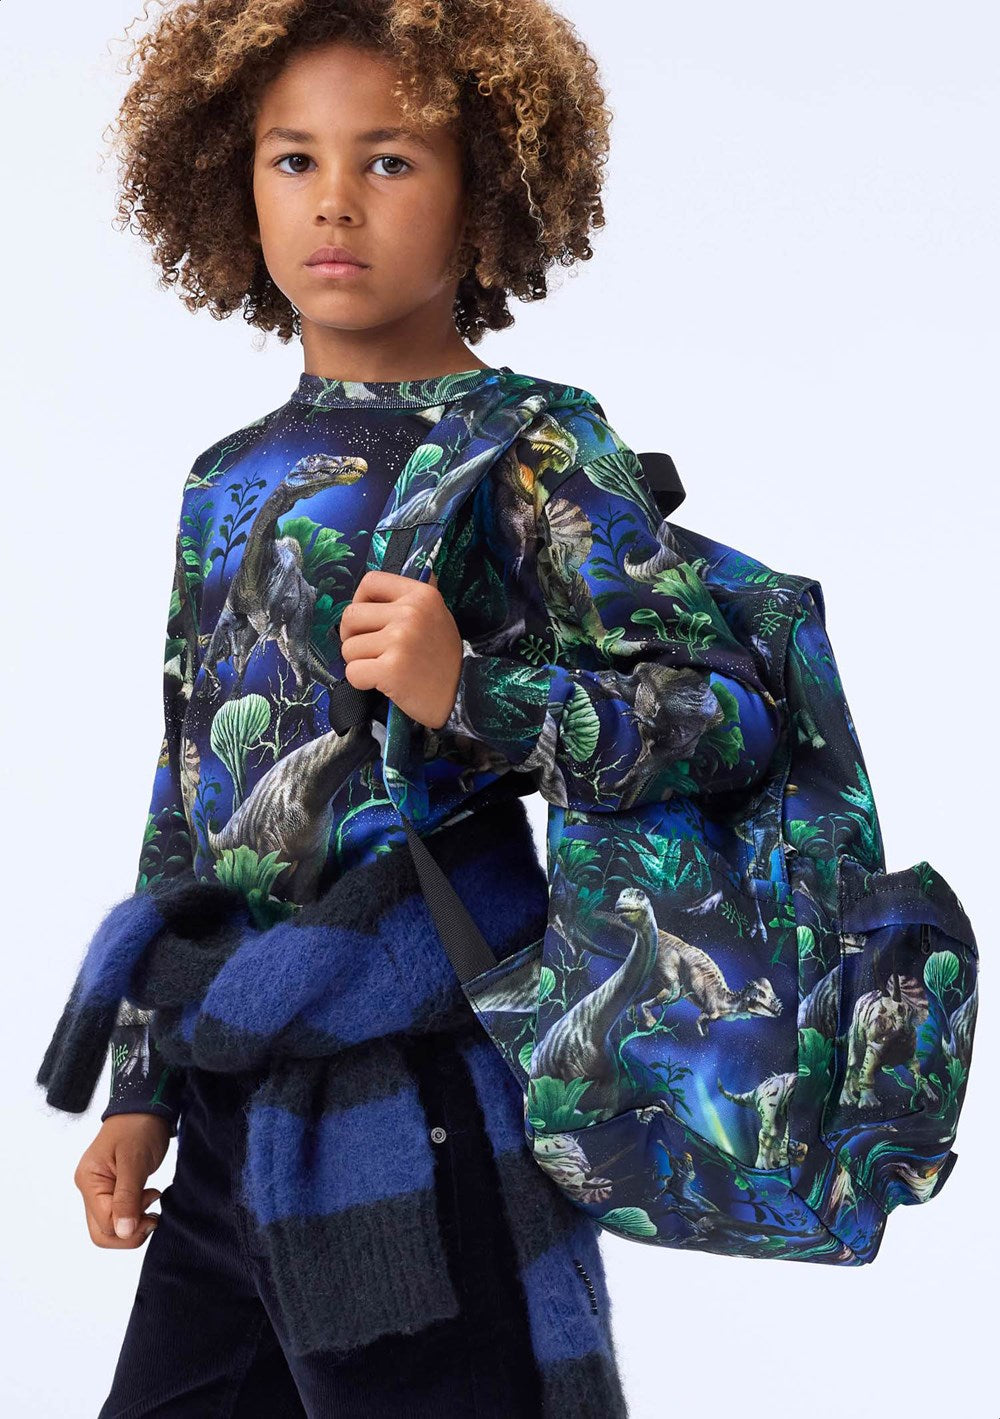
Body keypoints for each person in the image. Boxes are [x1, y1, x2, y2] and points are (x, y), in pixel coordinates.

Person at [36, 3, 782, 1416]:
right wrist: (142, 1084)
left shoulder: (534, 447)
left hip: (422, 1093)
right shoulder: (225, 476)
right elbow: (187, 792)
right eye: (292, 158)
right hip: (232, 1087)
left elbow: (730, 717)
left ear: (484, 188)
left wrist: (474, 694)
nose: (334, 200)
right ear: (233, 184)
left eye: (389, 160)